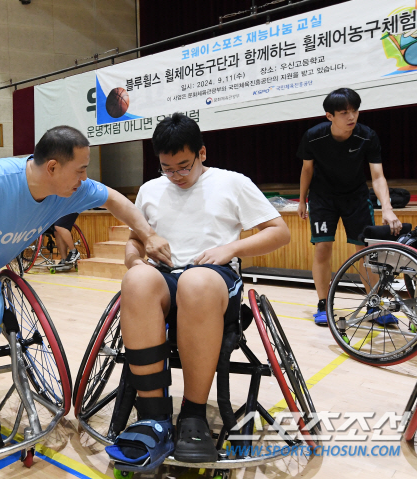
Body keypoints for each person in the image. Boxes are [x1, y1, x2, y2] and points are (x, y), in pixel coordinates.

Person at [0, 125, 171, 459]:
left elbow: (114, 199)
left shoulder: (70, 188)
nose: (84, 177)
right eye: (80, 169)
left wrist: (148, 234)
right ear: (52, 167)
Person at [106, 113, 289, 471]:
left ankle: (193, 413)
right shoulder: (150, 190)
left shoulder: (232, 183)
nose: (176, 175)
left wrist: (231, 250)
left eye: (184, 166)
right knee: (136, 282)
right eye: (167, 168)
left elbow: (279, 232)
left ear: (202, 153)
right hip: (166, 278)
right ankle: (154, 416)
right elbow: (134, 239)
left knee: (196, 281)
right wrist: (134, 261)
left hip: (213, 279)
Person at [296, 88, 402, 326]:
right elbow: (307, 170)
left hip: (355, 197)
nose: (352, 116)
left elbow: (377, 176)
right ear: (329, 116)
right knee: (323, 247)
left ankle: (373, 304)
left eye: (354, 110)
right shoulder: (313, 136)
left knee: (364, 252)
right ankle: (323, 304)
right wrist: (302, 200)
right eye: (344, 112)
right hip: (323, 198)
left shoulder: (367, 136)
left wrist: (387, 207)